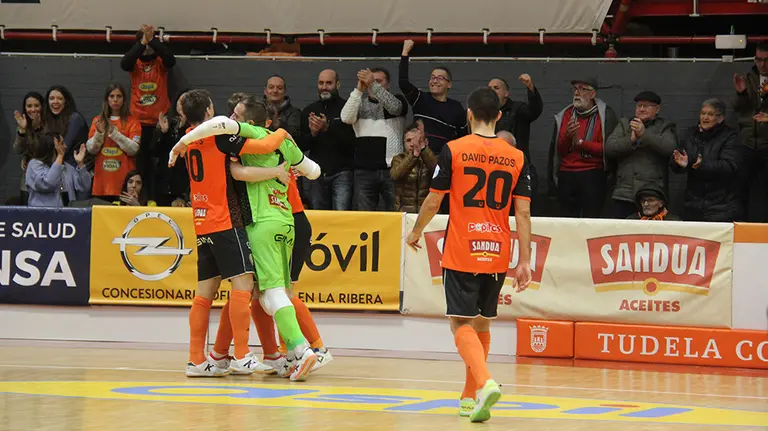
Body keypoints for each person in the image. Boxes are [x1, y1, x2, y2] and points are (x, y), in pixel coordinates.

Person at [405, 87, 533, 423]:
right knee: (481, 323)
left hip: (463, 248)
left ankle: (485, 381)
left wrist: (416, 231)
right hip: (496, 251)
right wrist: (524, 260)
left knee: (460, 323)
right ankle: (469, 396)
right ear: (500, 116)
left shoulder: (454, 149)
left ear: (469, 115)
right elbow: (522, 214)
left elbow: (434, 199)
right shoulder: (517, 157)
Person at [167, 89, 289, 377]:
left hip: (200, 218)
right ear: (210, 111)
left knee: (204, 294)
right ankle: (243, 355)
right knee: (244, 286)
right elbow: (263, 146)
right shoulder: (218, 136)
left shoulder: (190, 139)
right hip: (225, 218)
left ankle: (196, 360)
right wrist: (283, 136)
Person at [209, 96, 323, 381]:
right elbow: (315, 171)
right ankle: (274, 354)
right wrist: (283, 165)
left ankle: (301, 350)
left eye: (237, 115)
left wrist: (180, 144)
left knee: (271, 293)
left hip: (262, 223)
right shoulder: (282, 142)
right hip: (286, 222)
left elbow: (235, 167)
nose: (232, 119)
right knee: (271, 295)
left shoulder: (249, 138)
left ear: (249, 123)